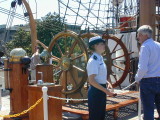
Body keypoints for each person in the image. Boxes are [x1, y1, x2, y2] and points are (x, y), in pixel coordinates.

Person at [87, 36, 117, 120]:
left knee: (101, 116)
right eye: (101, 44)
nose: (104, 45)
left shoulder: (100, 58)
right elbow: (92, 81)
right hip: (96, 91)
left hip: (101, 90)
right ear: (95, 46)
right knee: (96, 116)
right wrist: (106, 91)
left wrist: (108, 83)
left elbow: (100, 75)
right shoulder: (93, 61)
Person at [135, 25, 160, 120]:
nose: (138, 37)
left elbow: (143, 68)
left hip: (148, 82)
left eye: (139, 35)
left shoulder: (145, 46)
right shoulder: (158, 45)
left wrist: (137, 78)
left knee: (148, 109)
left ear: (143, 35)